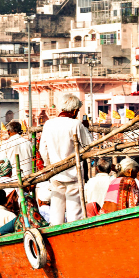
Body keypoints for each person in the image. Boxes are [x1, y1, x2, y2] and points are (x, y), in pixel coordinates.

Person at [38, 94, 93, 224]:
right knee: (75, 213)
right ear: (74, 111)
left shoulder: (48, 124)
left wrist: (49, 165)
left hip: (55, 173)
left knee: (56, 211)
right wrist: (85, 128)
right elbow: (89, 146)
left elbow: (43, 150)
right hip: (73, 174)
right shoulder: (76, 124)